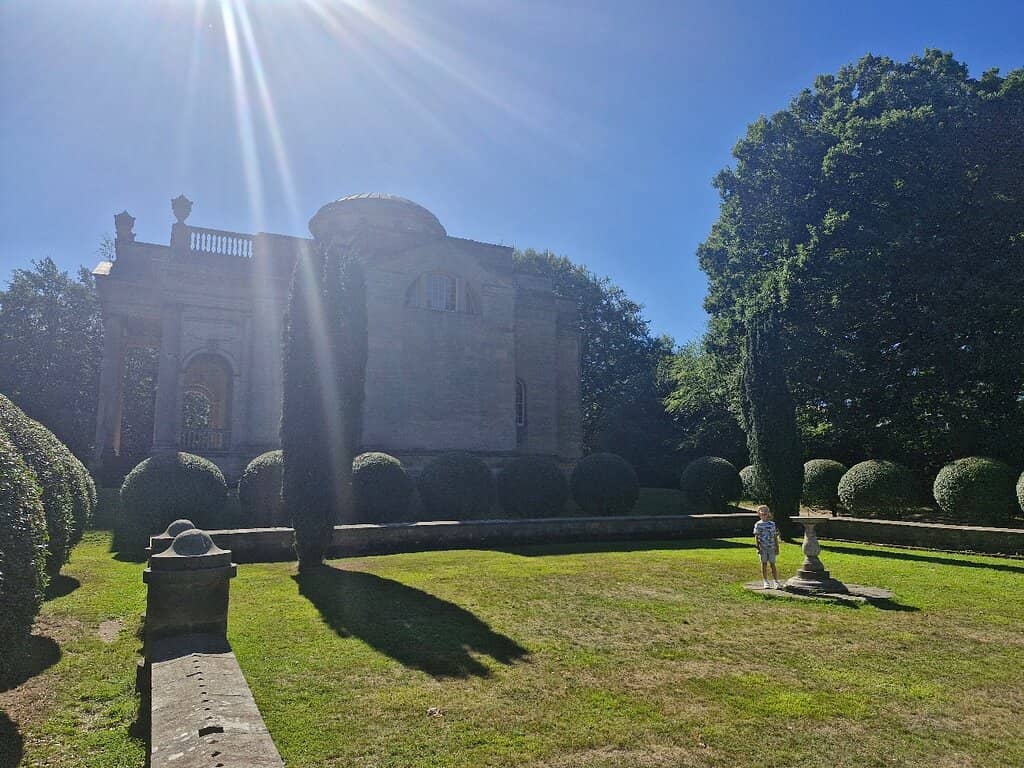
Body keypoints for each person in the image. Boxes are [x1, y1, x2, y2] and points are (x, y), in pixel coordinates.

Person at [753, 505, 781, 589]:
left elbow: (775, 536)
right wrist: (758, 547)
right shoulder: (758, 524)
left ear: (768, 514)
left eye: (765, 513)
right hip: (763, 547)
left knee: (773, 564)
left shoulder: (772, 524)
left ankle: (776, 581)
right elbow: (756, 536)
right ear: (759, 514)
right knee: (764, 564)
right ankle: (765, 581)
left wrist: (777, 547)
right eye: (762, 514)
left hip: (771, 547)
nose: (764, 515)